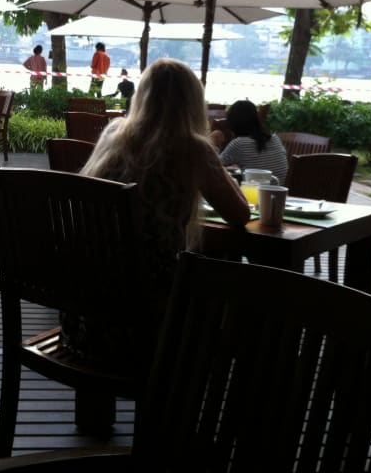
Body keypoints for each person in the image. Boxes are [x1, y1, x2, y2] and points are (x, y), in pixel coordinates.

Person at [70, 58, 249, 374]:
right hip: (149, 317)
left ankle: (94, 417)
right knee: (243, 301)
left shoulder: (114, 136)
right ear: (193, 103)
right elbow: (239, 213)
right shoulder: (191, 148)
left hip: (87, 313)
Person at [217, 99, 289, 184]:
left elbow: (212, 165)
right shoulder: (275, 139)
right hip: (278, 192)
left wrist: (212, 141)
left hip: (255, 194)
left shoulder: (239, 143)